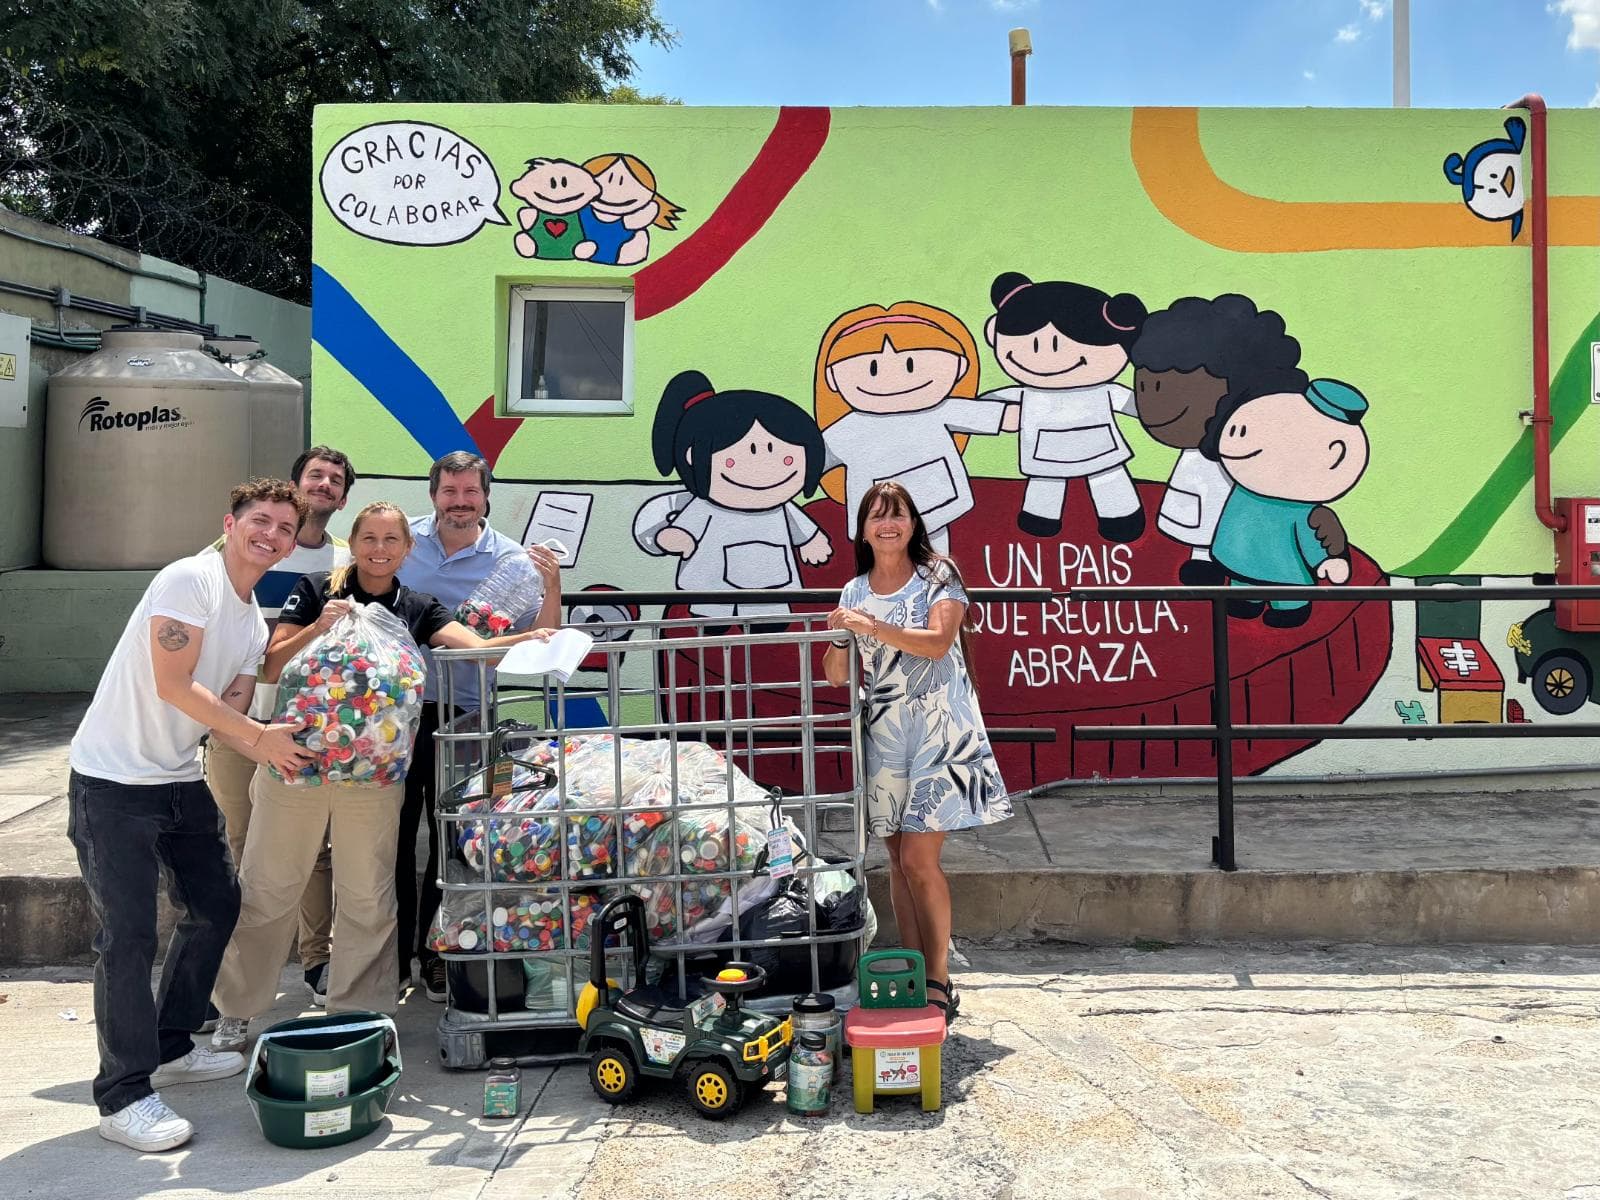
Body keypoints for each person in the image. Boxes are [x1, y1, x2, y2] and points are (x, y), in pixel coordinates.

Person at [210, 501, 558, 1048]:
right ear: (355, 543)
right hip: (294, 766)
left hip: (372, 779)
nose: (379, 549)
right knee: (268, 887)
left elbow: (479, 652)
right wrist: (317, 628)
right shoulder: (316, 587)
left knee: (368, 895)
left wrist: (529, 638)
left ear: (406, 548)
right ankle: (237, 1008)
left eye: (390, 540)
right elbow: (271, 664)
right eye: (369, 539)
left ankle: (360, 1010)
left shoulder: (418, 605)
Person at [66, 479, 315, 1153]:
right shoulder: (189, 580)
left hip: (178, 781)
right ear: (229, 524)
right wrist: (257, 736)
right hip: (112, 781)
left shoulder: (253, 622)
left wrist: (273, 745)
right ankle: (123, 1096)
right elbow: (173, 684)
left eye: (285, 528)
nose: (271, 534)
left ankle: (173, 1044)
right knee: (128, 937)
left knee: (216, 905)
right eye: (260, 520)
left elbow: (227, 718)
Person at [822, 481, 1013, 1024]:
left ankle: (939, 982)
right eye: (877, 516)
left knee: (918, 859)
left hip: (939, 731)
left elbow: (937, 642)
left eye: (898, 514)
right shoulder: (853, 590)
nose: (889, 524)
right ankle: (913, 969)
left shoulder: (938, 576)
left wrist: (873, 626)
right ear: (862, 529)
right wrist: (842, 637)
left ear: (913, 523)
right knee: (897, 864)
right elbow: (838, 675)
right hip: (885, 734)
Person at [396, 451, 562, 1001]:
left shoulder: (512, 562)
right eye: (450, 492)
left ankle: (440, 953)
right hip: (394, 714)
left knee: (456, 841)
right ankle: (392, 962)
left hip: (468, 717)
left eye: (470, 492)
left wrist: (552, 585)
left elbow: (544, 640)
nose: (460, 503)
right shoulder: (400, 543)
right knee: (389, 839)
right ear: (434, 494)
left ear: (486, 496)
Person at [203, 445, 355, 1007]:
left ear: (343, 497)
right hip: (236, 720)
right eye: (314, 476)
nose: (324, 485)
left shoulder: (342, 561)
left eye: (335, 480)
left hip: (302, 725)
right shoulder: (233, 550)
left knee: (314, 849)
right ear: (296, 484)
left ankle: (317, 960)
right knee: (240, 846)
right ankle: (231, 986)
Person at [631, 368, 832, 625]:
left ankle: (767, 622)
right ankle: (715, 619)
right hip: (712, 582)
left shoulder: (782, 508)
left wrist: (811, 541)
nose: (762, 465)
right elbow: (684, 530)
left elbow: (801, 528)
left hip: (773, 579)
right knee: (713, 610)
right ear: (693, 456)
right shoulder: (704, 507)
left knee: (770, 615)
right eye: (737, 457)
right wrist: (676, 537)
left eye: (783, 455)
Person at [814, 301, 1006, 554]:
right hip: (882, 521)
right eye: (873, 368)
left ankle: (937, 588)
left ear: (960, 366)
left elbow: (1003, 416)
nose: (891, 376)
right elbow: (811, 460)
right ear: (832, 378)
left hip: (937, 503)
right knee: (887, 559)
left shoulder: (940, 409)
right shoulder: (848, 429)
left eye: (910, 365)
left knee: (936, 555)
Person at [979, 272, 1150, 542]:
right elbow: (993, 404)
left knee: (1108, 477)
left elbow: (1135, 404)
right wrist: (998, 416)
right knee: (1046, 482)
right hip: (1045, 455)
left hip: (1100, 449)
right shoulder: (1028, 394)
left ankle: (1121, 516)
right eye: (1032, 342)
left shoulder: (1101, 390)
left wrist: (1160, 413)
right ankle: (1040, 518)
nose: (1045, 353)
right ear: (994, 332)